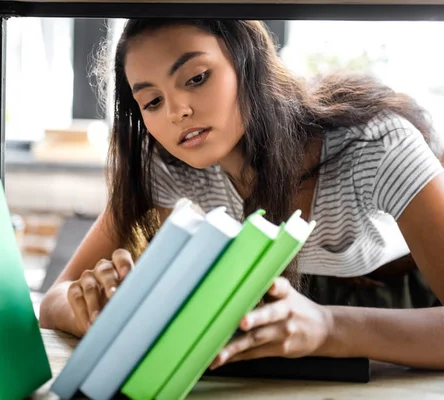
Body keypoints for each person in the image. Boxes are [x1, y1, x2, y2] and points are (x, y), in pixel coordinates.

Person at [39, 19, 444, 370]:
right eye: (152, 101)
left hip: (398, 324)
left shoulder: (376, 145)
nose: (176, 111)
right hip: (262, 352)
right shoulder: (167, 168)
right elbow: (54, 299)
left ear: (247, 61)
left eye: (196, 78)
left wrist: (328, 326)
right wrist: (92, 308)